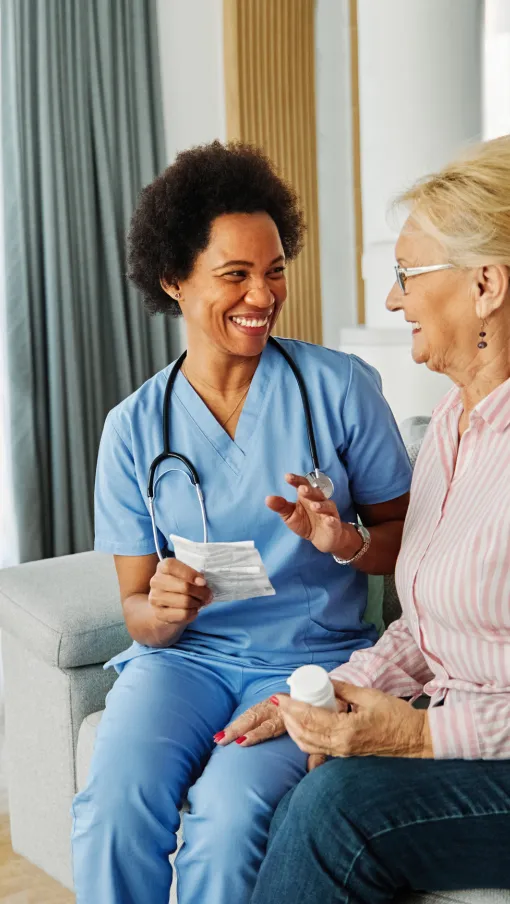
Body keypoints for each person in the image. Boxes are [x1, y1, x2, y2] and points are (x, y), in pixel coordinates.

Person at [70, 141, 411, 904]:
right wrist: (158, 612)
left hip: (305, 658)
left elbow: (409, 543)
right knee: (115, 804)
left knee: (229, 817)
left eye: (275, 269)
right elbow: (137, 612)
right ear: (173, 280)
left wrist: (347, 542)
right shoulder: (132, 428)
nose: (263, 293)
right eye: (236, 274)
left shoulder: (341, 390)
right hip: (181, 665)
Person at [231, 136, 510, 903]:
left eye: (405, 276)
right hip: (473, 729)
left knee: (338, 812)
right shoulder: (453, 424)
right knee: (295, 788)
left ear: (486, 284)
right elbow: (430, 625)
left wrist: (421, 734)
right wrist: (322, 693)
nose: (392, 301)